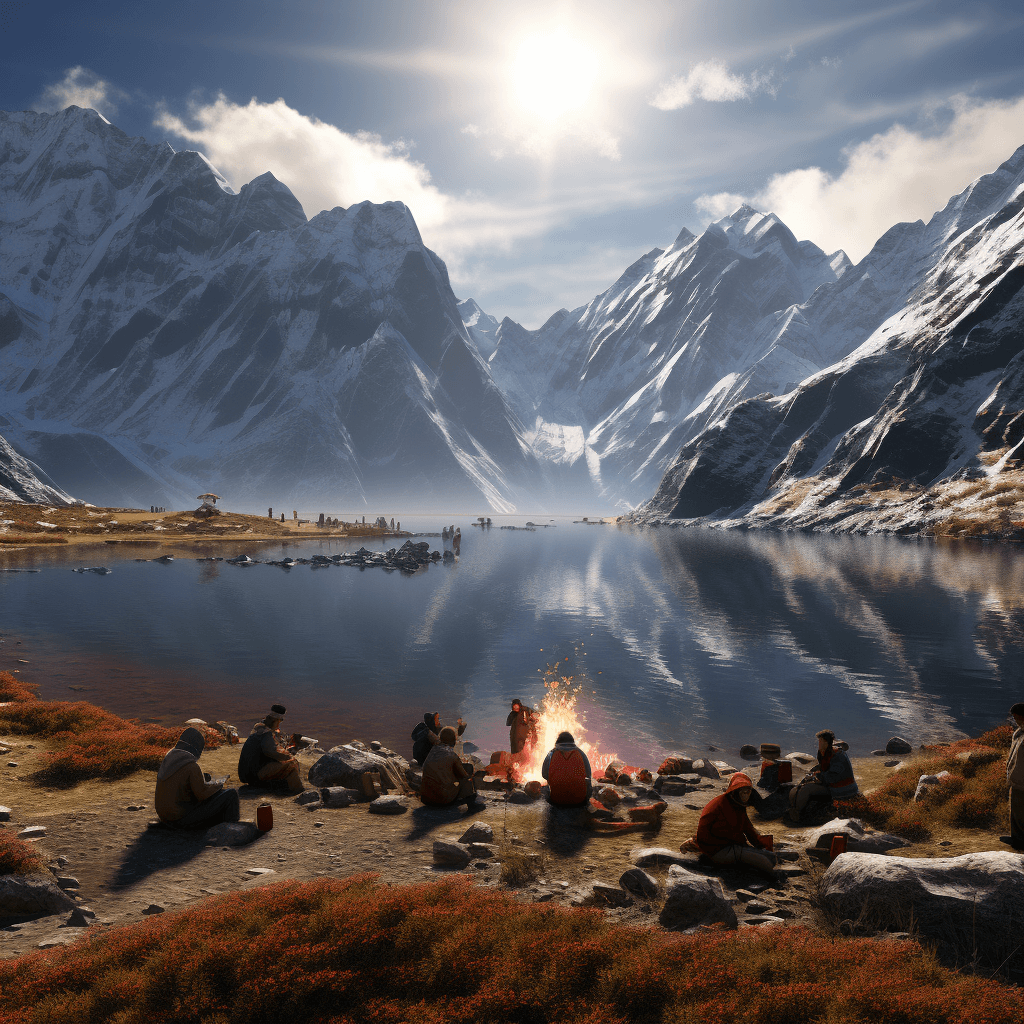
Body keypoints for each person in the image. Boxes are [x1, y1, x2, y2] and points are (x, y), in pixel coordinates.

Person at [155, 726, 240, 828]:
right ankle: (231, 829)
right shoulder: (191, 766)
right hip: (180, 818)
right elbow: (202, 795)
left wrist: (201, 778)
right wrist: (218, 785)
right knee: (231, 794)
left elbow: (180, 781)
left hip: (165, 817)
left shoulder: (169, 760)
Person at [693, 771, 775, 874]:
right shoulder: (718, 805)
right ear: (735, 791)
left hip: (732, 847)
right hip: (717, 851)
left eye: (748, 792)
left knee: (771, 858)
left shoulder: (738, 805)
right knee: (765, 863)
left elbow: (748, 829)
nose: (746, 795)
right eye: (742, 792)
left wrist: (763, 844)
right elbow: (703, 834)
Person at [787, 729, 858, 823]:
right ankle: (795, 810)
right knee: (801, 786)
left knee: (806, 789)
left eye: (821, 741)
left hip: (842, 789)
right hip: (832, 785)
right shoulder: (824, 752)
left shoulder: (838, 755)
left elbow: (833, 777)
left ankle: (797, 814)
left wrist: (817, 776)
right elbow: (823, 769)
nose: (819, 743)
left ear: (826, 742)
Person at [237, 704, 304, 794]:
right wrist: (288, 756)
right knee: (291, 764)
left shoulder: (258, 730)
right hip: (255, 774)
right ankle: (298, 791)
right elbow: (271, 751)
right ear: (276, 720)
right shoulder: (266, 734)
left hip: (247, 774)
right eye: (280, 721)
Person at [420, 726, 483, 807]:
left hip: (426, 799)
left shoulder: (433, 750)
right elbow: (464, 775)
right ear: (453, 740)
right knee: (467, 771)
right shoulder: (452, 755)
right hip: (442, 800)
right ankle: (472, 805)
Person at [542, 731, 593, 806]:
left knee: (544, 789)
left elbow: (544, 774)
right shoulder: (581, 753)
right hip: (579, 800)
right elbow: (588, 775)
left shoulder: (551, 753)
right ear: (572, 741)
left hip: (556, 800)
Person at [1000, 702, 1024, 850]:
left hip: (1022, 780)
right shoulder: (1018, 733)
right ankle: (1016, 838)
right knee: (1015, 811)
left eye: (1017, 716)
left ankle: (1020, 841)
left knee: (1021, 812)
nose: (1014, 719)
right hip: (1016, 779)